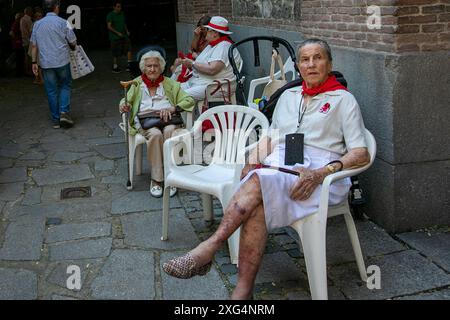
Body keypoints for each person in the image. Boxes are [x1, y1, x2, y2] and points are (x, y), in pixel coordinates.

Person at [162, 39, 370, 300]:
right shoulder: (289, 96)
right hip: (281, 167)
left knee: (259, 179)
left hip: (319, 177)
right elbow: (272, 137)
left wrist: (321, 174)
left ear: (329, 64)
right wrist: (252, 157)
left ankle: (209, 248)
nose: (311, 64)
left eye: (318, 58)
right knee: (257, 200)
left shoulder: (343, 100)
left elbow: (361, 153)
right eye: (305, 59)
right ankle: (243, 291)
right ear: (298, 66)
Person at [119, 51, 195, 198]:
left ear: (161, 67)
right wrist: (124, 106)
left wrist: (173, 108)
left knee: (171, 131)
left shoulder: (170, 84)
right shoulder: (136, 84)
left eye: (155, 65)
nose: (152, 69)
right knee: (155, 134)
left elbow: (189, 100)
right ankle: (157, 179)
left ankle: (171, 175)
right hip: (146, 123)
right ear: (143, 68)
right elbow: (125, 101)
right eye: (149, 66)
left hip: (168, 120)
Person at [31, 0, 77, 129]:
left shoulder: (37, 24)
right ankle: (64, 113)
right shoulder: (64, 22)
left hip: (46, 63)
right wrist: (72, 46)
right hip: (62, 61)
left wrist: (34, 62)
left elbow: (34, 45)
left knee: (51, 91)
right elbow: (73, 41)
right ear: (56, 7)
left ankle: (56, 120)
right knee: (65, 85)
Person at [178, 16, 242, 101]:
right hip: (202, 82)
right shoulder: (214, 44)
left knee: (179, 96)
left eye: (208, 30)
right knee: (173, 90)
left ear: (215, 33)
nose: (205, 33)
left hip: (215, 86)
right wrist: (191, 62)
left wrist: (192, 63)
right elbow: (205, 61)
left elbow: (212, 69)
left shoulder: (223, 46)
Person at [169, 15, 211, 82]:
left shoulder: (210, 37)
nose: (202, 31)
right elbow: (192, 49)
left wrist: (196, 54)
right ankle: (174, 81)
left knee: (176, 66)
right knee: (176, 62)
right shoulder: (200, 35)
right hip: (195, 56)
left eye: (203, 29)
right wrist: (196, 36)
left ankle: (174, 82)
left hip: (200, 59)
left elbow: (202, 53)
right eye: (200, 28)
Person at [107, 1, 132, 73]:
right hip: (115, 37)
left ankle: (129, 65)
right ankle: (115, 67)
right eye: (118, 7)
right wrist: (117, 33)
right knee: (115, 52)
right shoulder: (110, 15)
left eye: (120, 7)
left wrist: (127, 30)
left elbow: (124, 23)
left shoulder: (122, 14)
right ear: (114, 7)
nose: (119, 8)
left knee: (129, 48)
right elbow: (109, 26)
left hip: (124, 35)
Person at [20, 7, 33, 76]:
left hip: (24, 40)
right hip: (28, 40)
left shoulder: (22, 19)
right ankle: (29, 71)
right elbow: (30, 31)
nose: (32, 13)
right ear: (28, 12)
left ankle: (27, 71)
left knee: (26, 56)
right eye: (31, 11)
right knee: (29, 57)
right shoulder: (28, 19)